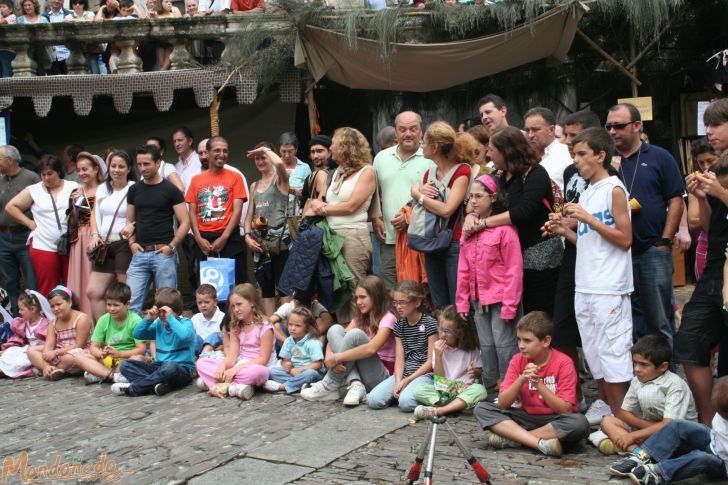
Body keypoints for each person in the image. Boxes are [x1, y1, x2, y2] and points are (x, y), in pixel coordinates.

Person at [546, 127, 633, 423]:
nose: (577, 160)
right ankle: (610, 413)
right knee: (596, 356)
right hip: (585, 284)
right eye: (574, 154)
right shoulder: (588, 190)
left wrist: (588, 219)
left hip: (609, 285)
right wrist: (565, 230)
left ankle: (622, 418)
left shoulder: (614, 189)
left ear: (600, 155)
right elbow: (589, 242)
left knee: (613, 355)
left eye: (582, 154)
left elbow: (624, 239)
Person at [606, 103, 684, 349]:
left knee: (660, 319)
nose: (612, 131)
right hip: (619, 251)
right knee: (631, 319)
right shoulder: (607, 163)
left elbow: (675, 198)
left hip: (652, 248)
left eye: (619, 126)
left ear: (637, 126)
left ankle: (668, 377)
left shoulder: (660, 156)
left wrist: (665, 240)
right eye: (608, 126)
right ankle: (641, 377)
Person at [467, 126, 560, 316]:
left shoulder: (535, 174)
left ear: (507, 151)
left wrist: (484, 223)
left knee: (537, 312)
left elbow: (522, 212)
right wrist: (471, 215)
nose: (488, 154)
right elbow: (478, 200)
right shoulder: (499, 175)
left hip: (538, 255)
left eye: (492, 149)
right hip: (508, 257)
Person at [474, 311, 589, 457]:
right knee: (482, 408)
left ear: (546, 341)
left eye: (527, 341)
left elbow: (565, 409)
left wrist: (539, 384)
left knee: (579, 423)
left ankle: (513, 438)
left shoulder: (564, 363)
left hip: (554, 419)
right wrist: (521, 379)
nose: (521, 346)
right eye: (519, 340)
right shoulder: (517, 360)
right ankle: (538, 443)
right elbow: (503, 402)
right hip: (525, 416)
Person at [551, 110, 604, 415]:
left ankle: (607, 400)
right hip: (571, 255)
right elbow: (572, 213)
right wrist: (561, 223)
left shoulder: (609, 177)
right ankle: (574, 395)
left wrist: (574, 223)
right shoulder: (572, 172)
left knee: (597, 337)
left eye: (575, 137)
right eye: (567, 136)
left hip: (599, 261)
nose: (569, 143)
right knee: (563, 329)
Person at [457, 173, 522, 387]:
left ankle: (509, 387)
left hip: (501, 298)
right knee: (486, 345)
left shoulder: (505, 230)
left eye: (479, 196)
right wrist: (462, 301)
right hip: (479, 299)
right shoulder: (469, 231)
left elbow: (514, 269)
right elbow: (463, 268)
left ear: (492, 198)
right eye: (471, 197)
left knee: (505, 345)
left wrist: (510, 305)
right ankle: (490, 386)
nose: (473, 201)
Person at [306, 128, 377, 323]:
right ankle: (343, 333)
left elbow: (352, 206)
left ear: (346, 147)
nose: (331, 148)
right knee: (337, 289)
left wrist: (324, 208)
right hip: (331, 237)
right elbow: (318, 201)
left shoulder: (367, 171)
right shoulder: (334, 172)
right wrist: (318, 204)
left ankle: (358, 334)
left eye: (334, 144)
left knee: (355, 289)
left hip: (353, 235)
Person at [679, 149, 728, 423]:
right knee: (690, 338)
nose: (710, 131)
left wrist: (720, 192)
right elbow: (711, 227)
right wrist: (701, 199)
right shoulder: (717, 181)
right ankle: (709, 421)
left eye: (716, 124)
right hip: (714, 270)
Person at [608, 376, 728, 485]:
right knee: (677, 425)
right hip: (714, 441)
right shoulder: (723, 413)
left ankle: (658, 473)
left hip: (722, 463)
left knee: (702, 458)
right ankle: (642, 456)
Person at [591, 335, 697, 456]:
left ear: (663, 367)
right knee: (607, 421)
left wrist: (635, 435)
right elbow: (624, 413)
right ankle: (639, 453)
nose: (637, 369)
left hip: (677, 436)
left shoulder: (675, 385)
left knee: (665, 435)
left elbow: (670, 426)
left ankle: (631, 445)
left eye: (643, 365)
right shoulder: (637, 380)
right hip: (651, 431)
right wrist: (648, 429)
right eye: (635, 363)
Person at [301, 276, 395, 407]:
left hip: (380, 376)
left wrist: (336, 357)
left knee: (355, 335)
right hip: (362, 373)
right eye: (357, 298)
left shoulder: (388, 317)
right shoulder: (361, 317)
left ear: (376, 296)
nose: (358, 302)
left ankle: (330, 383)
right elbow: (336, 339)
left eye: (363, 297)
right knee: (335, 329)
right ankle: (355, 383)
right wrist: (329, 355)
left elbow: (371, 349)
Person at [411, 121, 473, 309]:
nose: (421, 145)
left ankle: (461, 338)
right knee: (438, 300)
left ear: (435, 146)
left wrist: (417, 195)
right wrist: (420, 195)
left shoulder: (462, 170)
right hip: (431, 240)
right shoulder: (429, 173)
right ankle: (443, 337)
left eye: (424, 142)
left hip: (454, 241)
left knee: (457, 300)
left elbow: (447, 209)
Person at [122, 145, 189, 315]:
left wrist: (171, 247)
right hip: (140, 252)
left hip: (163, 252)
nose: (142, 168)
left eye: (147, 164)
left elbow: (185, 221)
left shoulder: (171, 190)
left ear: (158, 163)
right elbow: (130, 220)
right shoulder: (134, 189)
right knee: (130, 303)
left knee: (167, 305)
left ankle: (166, 341)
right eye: (139, 164)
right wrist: (132, 244)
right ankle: (134, 341)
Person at [373, 111, 431, 289]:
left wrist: (410, 217)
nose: (408, 134)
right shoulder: (381, 158)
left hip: (420, 239)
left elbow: (439, 199)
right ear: (396, 132)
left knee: (416, 292)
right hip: (389, 239)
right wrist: (376, 217)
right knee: (390, 293)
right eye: (403, 129)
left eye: (413, 129)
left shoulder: (430, 159)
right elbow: (375, 194)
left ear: (421, 131)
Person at [5, 156, 78, 296]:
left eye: (50, 173)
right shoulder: (34, 190)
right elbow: (11, 207)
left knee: (72, 285)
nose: (46, 178)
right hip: (43, 244)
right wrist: (29, 223)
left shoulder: (73, 186)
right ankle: (49, 317)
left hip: (70, 243)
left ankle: (73, 316)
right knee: (48, 287)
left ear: (59, 172)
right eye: (43, 174)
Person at [195, 283, 275, 400]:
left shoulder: (265, 327)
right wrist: (222, 367)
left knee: (256, 373)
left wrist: (236, 369)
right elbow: (233, 355)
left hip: (258, 366)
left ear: (252, 303)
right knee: (200, 363)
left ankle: (217, 384)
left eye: (239, 304)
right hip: (239, 364)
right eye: (233, 306)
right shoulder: (235, 326)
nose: (236, 309)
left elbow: (263, 359)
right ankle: (234, 388)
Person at [367, 280, 438, 412]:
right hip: (405, 373)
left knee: (405, 404)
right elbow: (400, 359)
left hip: (425, 375)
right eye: (395, 302)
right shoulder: (399, 325)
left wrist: (408, 380)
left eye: (402, 302)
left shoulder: (430, 324)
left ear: (417, 302)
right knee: (373, 400)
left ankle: (419, 397)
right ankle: (401, 393)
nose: (398, 306)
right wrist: (398, 380)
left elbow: (431, 362)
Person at [187, 136, 247, 288]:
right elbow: (192, 212)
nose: (222, 154)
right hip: (204, 241)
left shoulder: (235, 177)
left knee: (236, 286)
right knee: (209, 288)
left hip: (230, 238)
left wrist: (224, 237)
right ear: (207, 153)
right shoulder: (196, 180)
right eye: (217, 150)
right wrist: (198, 238)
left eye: (225, 151)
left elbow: (237, 210)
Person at [111, 288, 195, 396]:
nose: (162, 315)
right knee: (125, 365)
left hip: (181, 370)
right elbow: (137, 334)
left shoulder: (186, 323)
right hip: (158, 367)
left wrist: (171, 318)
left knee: (170, 367)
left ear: (176, 311)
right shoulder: (158, 324)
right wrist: (148, 320)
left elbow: (184, 336)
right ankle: (157, 386)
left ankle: (135, 388)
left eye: (165, 312)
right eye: (160, 312)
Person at [412, 306, 487, 420]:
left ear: (459, 333)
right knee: (419, 390)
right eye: (440, 329)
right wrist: (438, 356)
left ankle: (439, 410)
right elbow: (439, 379)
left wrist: (475, 372)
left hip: (464, 388)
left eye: (447, 332)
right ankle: (457, 406)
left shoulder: (470, 348)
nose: (442, 335)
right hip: (443, 388)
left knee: (480, 390)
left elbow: (479, 371)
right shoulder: (437, 346)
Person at [87, 150, 135, 321]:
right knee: (94, 292)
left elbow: (141, 215)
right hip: (104, 245)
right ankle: (105, 331)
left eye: (121, 166)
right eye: (113, 166)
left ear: (129, 169)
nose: (116, 170)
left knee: (124, 292)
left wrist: (132, 226)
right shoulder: (102, 188)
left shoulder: (134, 187)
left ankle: (126, 331)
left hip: (124, 244)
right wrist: (94, 234)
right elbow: (93, 214)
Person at [244, 142, 291, 316]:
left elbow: (279, 164)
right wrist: (247, 236)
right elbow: (250, 214)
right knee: (266, 291)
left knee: (285, 289)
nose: (260, 161)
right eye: (257, 158)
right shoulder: (254, 185)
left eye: (263, 157)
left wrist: (265, 150)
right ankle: (270, 331)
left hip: (280, 242)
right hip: (259, 243)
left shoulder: (280, 179)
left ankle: (287, 330)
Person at [74, 282, 145, 384]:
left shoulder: (136, 320)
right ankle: (112, 376)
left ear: (127, 304)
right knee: (79, 356)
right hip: (107, 360)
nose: (111, 309)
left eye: (116, 305)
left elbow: (141, 349)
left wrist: (120, 354)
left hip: (126, 360)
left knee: (138, 359)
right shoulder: (103, 320)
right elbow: (94, 347)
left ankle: (99, 374)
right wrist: (101, 353)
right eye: (109, 304)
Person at [0, 145, 40, 316]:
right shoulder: (1, 180)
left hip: (24, 234)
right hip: (3, 236)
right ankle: (15, 318)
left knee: (31, 279)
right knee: (9, 280)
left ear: (10, 160)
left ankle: (36, 318)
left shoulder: (31, 178)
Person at [27, 286, 92, 381]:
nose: (55, 308)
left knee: (72, 358)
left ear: (69, 302)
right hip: (59, 352)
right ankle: (52, 369)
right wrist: (45, 364)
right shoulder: (53, 323)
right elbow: (48, 347)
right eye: (52, 306)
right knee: (31, 350)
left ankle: (56, 369)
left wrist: (56, 352)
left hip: (77, 351)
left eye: (58, 304)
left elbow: (80, 345)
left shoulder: (82, 318)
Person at [67, 152, 104, 317]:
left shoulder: (105, 189)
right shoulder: (76, 191)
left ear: (96, 169)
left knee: (95, 282)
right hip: (80, 237)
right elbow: (72, 223)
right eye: (79, 170)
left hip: (99, 236)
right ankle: (81, 320)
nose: (82, 173)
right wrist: (75, 205)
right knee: (79, 279)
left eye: (85, 169)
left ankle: (98, 320)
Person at [264, 307, 324, 394]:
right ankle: (300, 384)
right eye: (290, 324)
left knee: (310, 374)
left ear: (307, 328)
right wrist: (287, 365)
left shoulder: (313, 342)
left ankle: (283, 387)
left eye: (297, 325)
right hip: (293, 371)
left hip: (310, 371)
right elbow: (286, 360)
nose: (293, 328)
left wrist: (300, 370)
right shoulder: (288, 341)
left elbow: (318, 364)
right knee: (273, 371)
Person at [687, 137, 719, 281]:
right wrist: (701, 198)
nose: (705, 167)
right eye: (701, 162)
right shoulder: (697, 184)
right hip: (707, 245)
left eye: (710, 161)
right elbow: (694, 222)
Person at [0, 291, 51, 378]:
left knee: (23, 358)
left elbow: (49, 343)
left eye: (22, 309)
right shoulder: (23, 324)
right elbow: (18, 340)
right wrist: (7, 349)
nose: (19, 312)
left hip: (39, 351)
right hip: (26, 350)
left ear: (32, 309)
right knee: (9, 355)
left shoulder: (45, 324)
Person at [523, 107, 573, 192]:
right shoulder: (523, 156)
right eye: (527, 130)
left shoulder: (567, 155)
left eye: (535, 130)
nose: (530, 135)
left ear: (551, 130)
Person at [278, 131, 311, 228]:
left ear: (296, 149)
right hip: (277, 214)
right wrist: (292, 189)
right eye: (283, 151)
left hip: (297, 216)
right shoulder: (273, 166)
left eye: (290, 151)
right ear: (279, 149)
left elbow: (308, 196)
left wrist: (288, 188)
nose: (287, 155)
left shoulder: (305, 168)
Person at [191, 284, 224, 356]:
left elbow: (230, 340)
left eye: (206, 302)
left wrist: (223, 347)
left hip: (215, 350)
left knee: (215, 335)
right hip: (197, 350)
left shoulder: (223, 318)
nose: (203, 305)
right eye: (200, 302)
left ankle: (203, 356)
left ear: (215, 302)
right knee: (193, 336)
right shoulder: (195, 318)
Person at [150, 0, 181, 70]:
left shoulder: (174, 14)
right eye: (166, 2)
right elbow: (155, 32)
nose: (169, 3)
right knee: (161, 64)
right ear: (160, 4)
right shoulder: (156, 15)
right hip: (160, 42)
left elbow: (180, 28)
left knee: (166, 65)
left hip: (172, 42)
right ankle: (162, 76)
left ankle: (160, 76)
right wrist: (154, 18)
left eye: (170, 2)